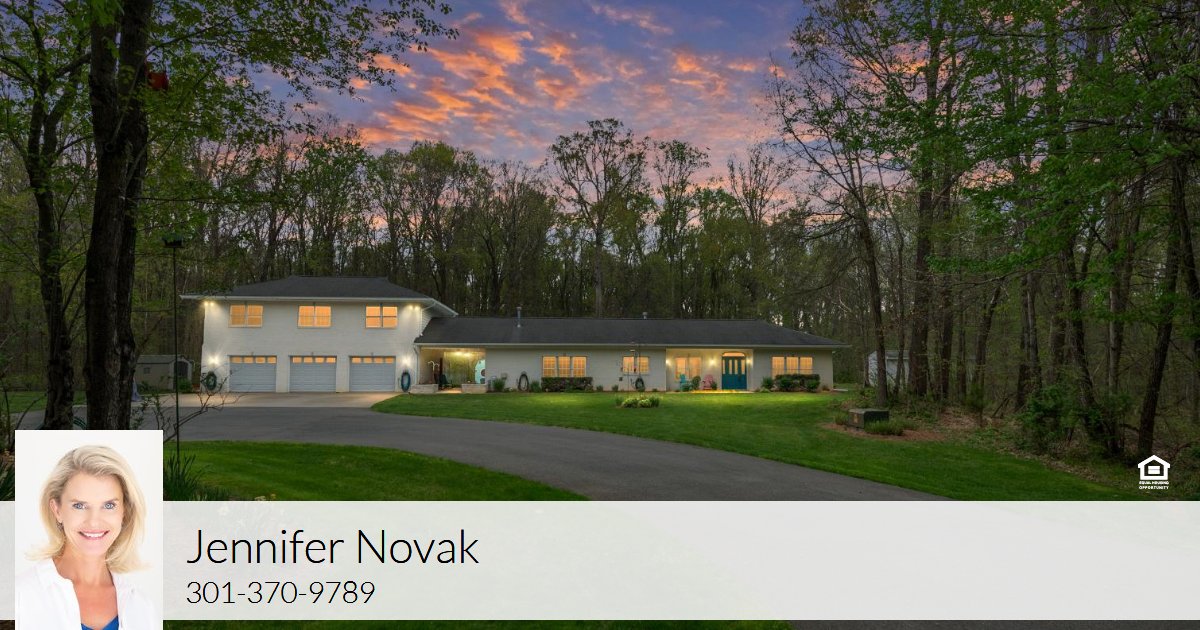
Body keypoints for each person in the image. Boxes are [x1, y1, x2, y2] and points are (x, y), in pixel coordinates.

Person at [16, 445, 159, 629]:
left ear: (124, 511)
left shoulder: (142, 607)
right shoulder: (20, 597)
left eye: (109, 505)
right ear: (57, 510)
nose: (94, 522)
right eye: (79, 506)